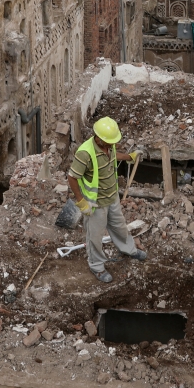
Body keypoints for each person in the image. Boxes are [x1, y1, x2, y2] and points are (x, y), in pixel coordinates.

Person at [67, 117, 146, 283]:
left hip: (112, 197)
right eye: (110, 142)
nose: (113, 145)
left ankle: (128, 249)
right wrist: (82, 202)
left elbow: (114, 155)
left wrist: (129, 157)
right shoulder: (85, 153)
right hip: (95, 204)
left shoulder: (107, 147)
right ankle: (97, 266)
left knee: (120, 227)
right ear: (99, 138)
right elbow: (72, 177)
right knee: (95, 237)